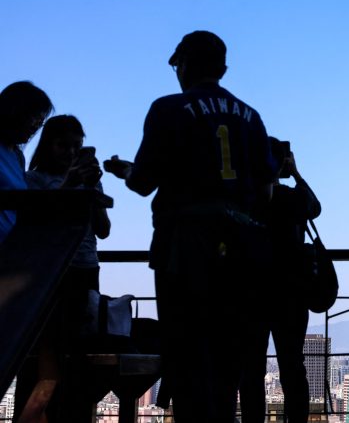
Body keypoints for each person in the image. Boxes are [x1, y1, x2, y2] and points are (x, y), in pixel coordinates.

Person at [104, 31, 275, 423]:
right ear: (223, 68)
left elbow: (143, 182)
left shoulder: (168, 109)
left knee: (186, 352)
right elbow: (266, 191)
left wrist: (125, 171)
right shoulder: (251, 116)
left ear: (182, 65)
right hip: (243, 251)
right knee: (229, 356)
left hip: (184, 247)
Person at [14, 115, 111, 422]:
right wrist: (70, 185)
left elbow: (103, 229)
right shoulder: (33, 181)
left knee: (78, 355)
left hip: (84, 269)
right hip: (50, 274)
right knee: (42, 356)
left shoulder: (88, 182)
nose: (70, 152)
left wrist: (92, 190)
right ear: (48, 146)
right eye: (63, 145)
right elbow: (36, 226)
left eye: (77, 147)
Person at [239, 138, 320, 423]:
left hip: (252, 293)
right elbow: (315, 208)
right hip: (291, 294)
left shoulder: (245, 199)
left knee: (251, 369)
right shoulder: (291, 198)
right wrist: (295, 172)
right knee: (293, 366)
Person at [0, 81, 53, 244]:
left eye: (41, 121)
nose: (37, 126)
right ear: (15, 112)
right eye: (35, 117)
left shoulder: (17, 156)